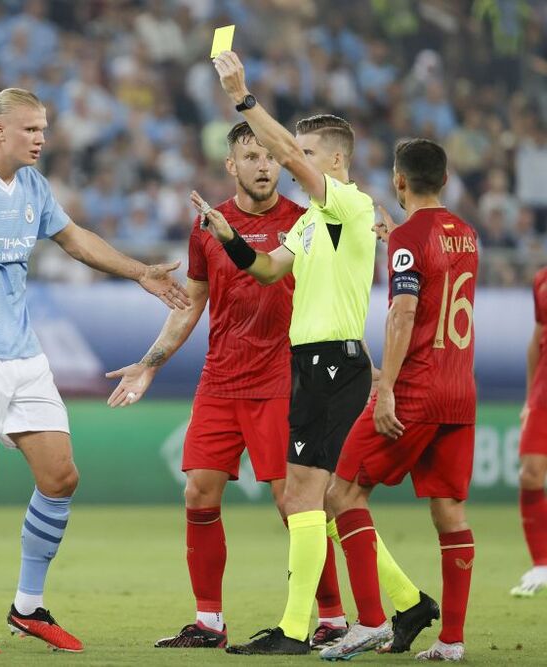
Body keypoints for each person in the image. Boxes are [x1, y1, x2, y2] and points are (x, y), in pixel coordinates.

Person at [0, 87, 189, 655]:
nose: (41, 138)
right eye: (30, 129)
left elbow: (77, 241)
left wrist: (138, 271)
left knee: (61, 477)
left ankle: (27, 607)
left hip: (22, 354)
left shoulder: (35, 188)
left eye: (44, 128)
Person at [194, 51, 431, 655]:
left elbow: (291, 157)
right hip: (310, 364)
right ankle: (407, 603)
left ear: (336, 160)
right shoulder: (313, 223)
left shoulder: (347, 205)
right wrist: (230, 242)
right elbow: (271, 271)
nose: (284, 161)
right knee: (323, 498)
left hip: (335, 363)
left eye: (300, 153)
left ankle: (297, 630)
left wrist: (242, 95)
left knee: (304, 497)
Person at [106, 121, 349, 650]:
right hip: (220, 380)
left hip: (283, 381)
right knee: (198, 493)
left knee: (296, 505)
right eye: (251, 156)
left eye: (270, 156)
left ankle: (331, 617)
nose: (264, 165)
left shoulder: (305, 220)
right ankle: (209, 622)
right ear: (231, 165)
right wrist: (151, 362)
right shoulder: (207, 226)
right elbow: (193, 300)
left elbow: (335, 293)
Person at [323, 138, 478, 661]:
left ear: (398, 181)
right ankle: (451, 642)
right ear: (447, 180)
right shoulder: (468, 234)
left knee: (342, 494)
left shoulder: (412, 237)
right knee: (450, 513)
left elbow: (405, 313)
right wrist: (399, 241)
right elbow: (439, 284)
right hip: (460, 391)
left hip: (415, 389)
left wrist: (384, 385)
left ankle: (367, 622)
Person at [511, 270, 547, 598]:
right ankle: (541, 563)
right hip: (543, 394)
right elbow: (537, 339)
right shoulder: (541, 281)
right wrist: (528, 398)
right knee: (530, 474)